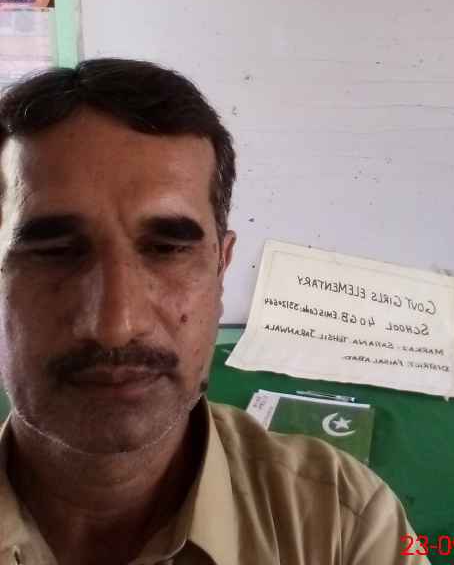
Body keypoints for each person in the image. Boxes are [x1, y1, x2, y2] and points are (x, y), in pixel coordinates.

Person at [0, 58, 429, 565]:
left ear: (221, 268)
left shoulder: (345, 530)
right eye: (54, 252)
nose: (116, 325)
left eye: (167, 249)